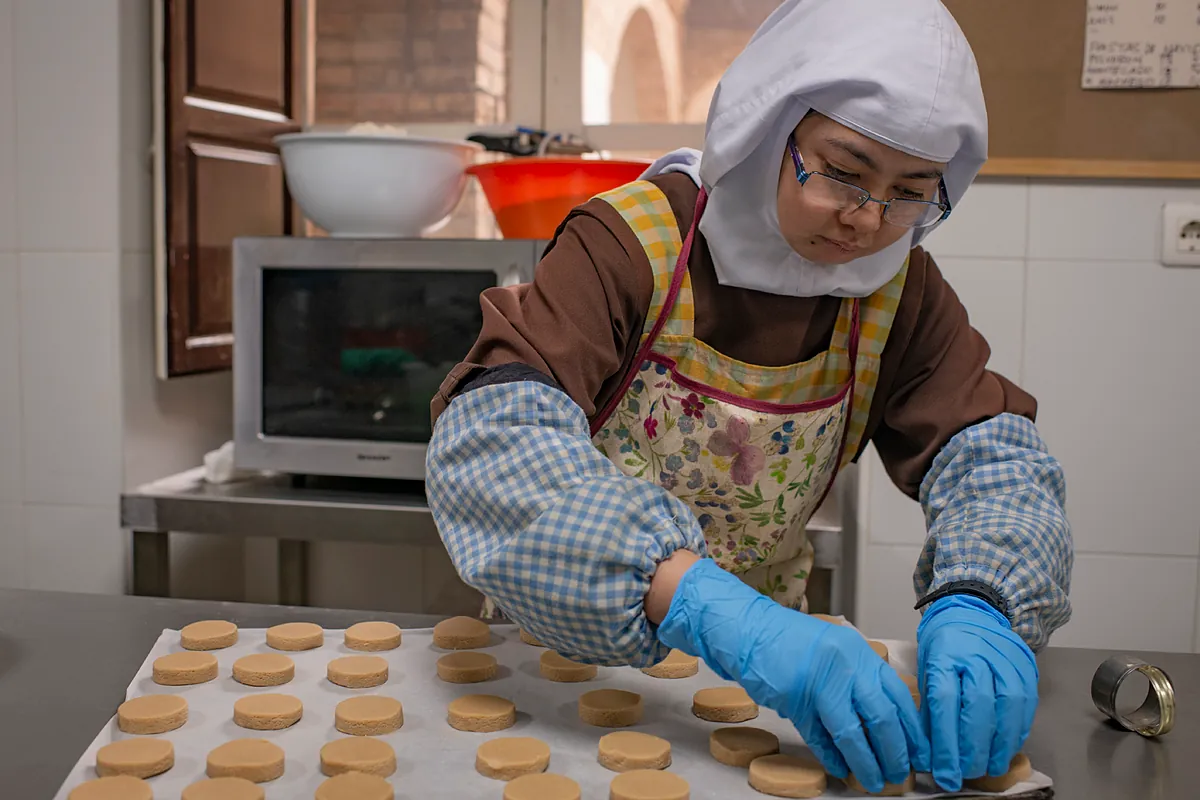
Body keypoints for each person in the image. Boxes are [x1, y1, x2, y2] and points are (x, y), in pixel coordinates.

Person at [425, 0, 1073, 793]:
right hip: (562, 671)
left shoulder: (898, 294)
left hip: (763, 696)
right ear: (771, 123)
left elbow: (991, 456)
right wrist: (705, 607)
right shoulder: (629, 244)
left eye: (911, 191)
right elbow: (492, 445)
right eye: (842, 170)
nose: (869, 220)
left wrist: (982, 600)